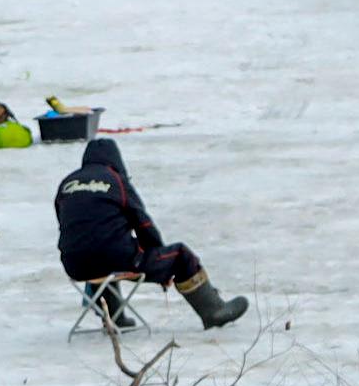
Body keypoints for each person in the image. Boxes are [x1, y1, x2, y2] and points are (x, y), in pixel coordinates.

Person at [55, 138, 249, 330]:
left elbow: (66, 223)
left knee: (97, 252)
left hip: (74, 264)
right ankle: (213, 310)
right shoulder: (117, 181)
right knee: (180, 255)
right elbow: (143, 224)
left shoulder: (67, 183)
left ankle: (114, 317)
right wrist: (160, 259)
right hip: (116, 260)